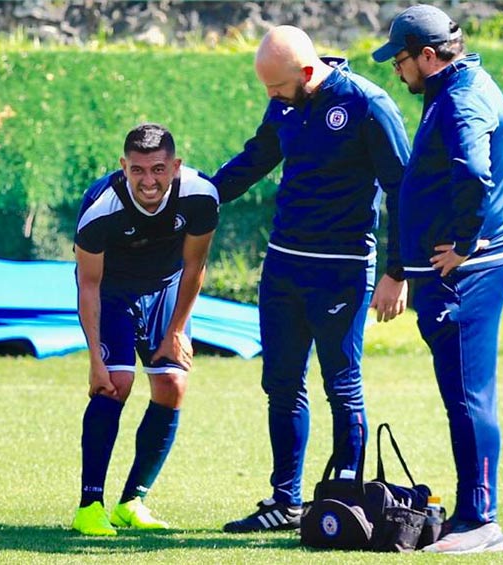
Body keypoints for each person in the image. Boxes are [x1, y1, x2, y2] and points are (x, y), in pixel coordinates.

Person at [212, 26, 411, 533]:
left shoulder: (368, 104)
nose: (271, 98)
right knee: (281, 384)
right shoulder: (285, 100)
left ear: (305, 73)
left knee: (342, 386)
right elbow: (255, 158)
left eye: (277, 88)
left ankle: (345, 501)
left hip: (341, 270)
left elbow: (402, 191)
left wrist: (396, 271)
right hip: (283, 265)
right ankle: (286, 502)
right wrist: (199, 196)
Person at [372, 4, 503, 554]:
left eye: (401, 60)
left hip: (469, 275)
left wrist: (463, 241)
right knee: (464, 395)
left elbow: (474, 173)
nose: (397, 70)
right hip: (457, 273)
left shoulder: (459, 99)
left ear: (428, 56)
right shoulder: (456, 86)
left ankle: (482, 520)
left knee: (468, 397)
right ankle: (471, 515)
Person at [71, 123, 219, 536]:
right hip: (112, 291)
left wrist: (176, 331)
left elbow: (195, 266)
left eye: (157, 169)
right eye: (137, 170)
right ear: (123, 166)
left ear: (175, 166)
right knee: (114, 383)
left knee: (173, 385)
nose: (148, 181)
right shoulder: (101, 207)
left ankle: (133, 500)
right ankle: (90, 505)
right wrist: (94, 361)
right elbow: (89, 284)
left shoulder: (201, 196)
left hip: (166, 288)